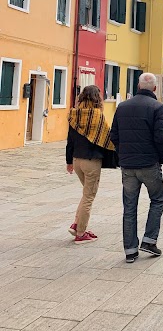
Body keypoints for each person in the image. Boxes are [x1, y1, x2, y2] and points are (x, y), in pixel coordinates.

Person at [111, 73, 163, 263]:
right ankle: (149, 240)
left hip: (128, 165)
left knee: (129, 207)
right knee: (158, 198)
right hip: (149, 163)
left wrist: (123, 154)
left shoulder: (122, 107)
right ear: (154, 89)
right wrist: (160, 158)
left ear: (138, 86)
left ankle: (130, 250)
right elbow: (161, 138)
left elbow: (114, 135)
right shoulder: (158, 108)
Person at [66, 85, 116, 244]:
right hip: (91, 161)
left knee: (86, 194)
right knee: (89, 196)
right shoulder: (97, 116)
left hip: (77, 160)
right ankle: (81, 233)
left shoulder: (74, 114)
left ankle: (76, 224)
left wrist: (68, 162)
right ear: (97, 98)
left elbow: (70, 141)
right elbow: (107, 137)